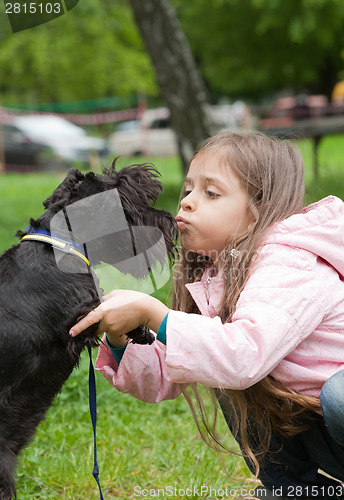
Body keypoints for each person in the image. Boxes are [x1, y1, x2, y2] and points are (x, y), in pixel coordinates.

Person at [70, 131, 344, 498]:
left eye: (211, 193)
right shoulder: (216, 273)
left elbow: (243, 353)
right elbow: (167, 374)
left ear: (255, 214)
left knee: (336, 394)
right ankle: (296, 492)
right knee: (212, 357)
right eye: (188, 190)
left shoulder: (291, 263)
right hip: (323, 429)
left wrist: (155, 313)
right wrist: (122, 338)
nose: (187, 203)